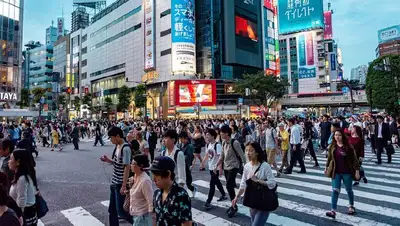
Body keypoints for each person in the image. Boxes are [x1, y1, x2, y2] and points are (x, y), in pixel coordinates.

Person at [232, 142, 276, 226]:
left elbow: (272, 183)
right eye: (246, 150)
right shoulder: (247, 166)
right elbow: (243, 184)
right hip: (253, 201)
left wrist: (257, 180)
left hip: (264, 202)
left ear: (257, 152)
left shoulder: (265, 166)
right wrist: (236, 197)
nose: (248, 153)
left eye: (251, 150)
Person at [100, 127, 132, 225]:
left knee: (122, 211)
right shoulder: (117, 146)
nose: (110, 140)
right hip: (114, 182)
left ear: (117, 136)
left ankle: (138, 223)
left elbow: (127, 167)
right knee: (112, 210)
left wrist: (123, 185)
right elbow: (118, 163)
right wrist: (108, 160)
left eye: (111, 138)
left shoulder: (125, 148)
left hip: (120, 183)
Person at [325, 129, 360, 219]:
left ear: (343, 136)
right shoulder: (332, 146)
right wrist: (326, 167)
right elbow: (329, 158)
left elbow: (354, 160)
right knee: (335, 190)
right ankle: (333, 210)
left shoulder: (349, 147)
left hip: (347, 172)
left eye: (339, 135)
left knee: (349, 190)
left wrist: (357, 171)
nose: (337, 137)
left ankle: (351, 206)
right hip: (336, 172)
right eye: (335, 135)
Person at [150, 156, 193, 226]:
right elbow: (154, 217)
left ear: (168, 174)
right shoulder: (157, 193)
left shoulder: (181, 195)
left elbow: (186, 223)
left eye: (156, 175)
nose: (153, 179)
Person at [215, 125, 246, 218]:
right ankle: (233, 204)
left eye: (222, 132)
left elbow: (242, 155)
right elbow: (222, 155)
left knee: (229, 185)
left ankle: (234, 206)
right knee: (230, 186)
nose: (220, 134)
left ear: (227, 133)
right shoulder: (224, 142)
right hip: (226, 167)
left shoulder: (235, 142)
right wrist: (216, 165)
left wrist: (246, 166)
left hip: (234, 166)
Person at [8, 149, 38, 226]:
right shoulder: (22, 175)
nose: (9, 161)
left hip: (25, 213)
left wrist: (19, 217)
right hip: (27, 212)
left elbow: (21, 201)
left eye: (11, 159)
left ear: (18, 162)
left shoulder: (22, 178)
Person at [201, 128, 227, 210]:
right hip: (210, 167)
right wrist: (202, 162)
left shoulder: (217, 145)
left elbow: (220, 157)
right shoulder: (208, 145)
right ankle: (223, 195)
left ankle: (208, 202)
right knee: (217, 182)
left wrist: (220, 169)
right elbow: (207, 154)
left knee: (212, 184)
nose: (206, 136)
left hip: (215, 168)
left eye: (208, 134)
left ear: (213, 136)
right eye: (206, 134)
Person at [128, 154, 153, 226]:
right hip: (135, 214)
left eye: (133, 164)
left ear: (141, 166)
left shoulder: (145, 181)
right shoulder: (135, 176)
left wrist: (152, 219)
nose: (131, 165)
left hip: (142, 217)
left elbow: (150, 200)